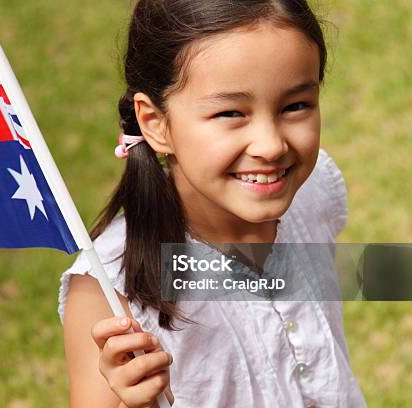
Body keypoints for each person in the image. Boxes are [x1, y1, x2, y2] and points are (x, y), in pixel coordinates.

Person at [58, 0, 367, 406]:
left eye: (295, 106)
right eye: (230, 113)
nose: (272, 146)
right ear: (155, 123)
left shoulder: (311, 193)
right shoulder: (109, 290)